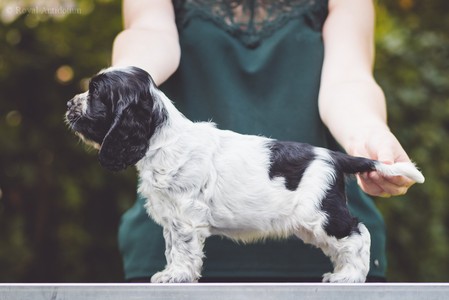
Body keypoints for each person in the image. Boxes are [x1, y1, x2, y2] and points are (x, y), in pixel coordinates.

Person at [111, 0, 417, 282]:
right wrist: (119, 85)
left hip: (320, 256)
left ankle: (350, 253)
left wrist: (368, 134)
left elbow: (348, 77)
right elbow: (148, 32)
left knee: (331, 224)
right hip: (162, 262)